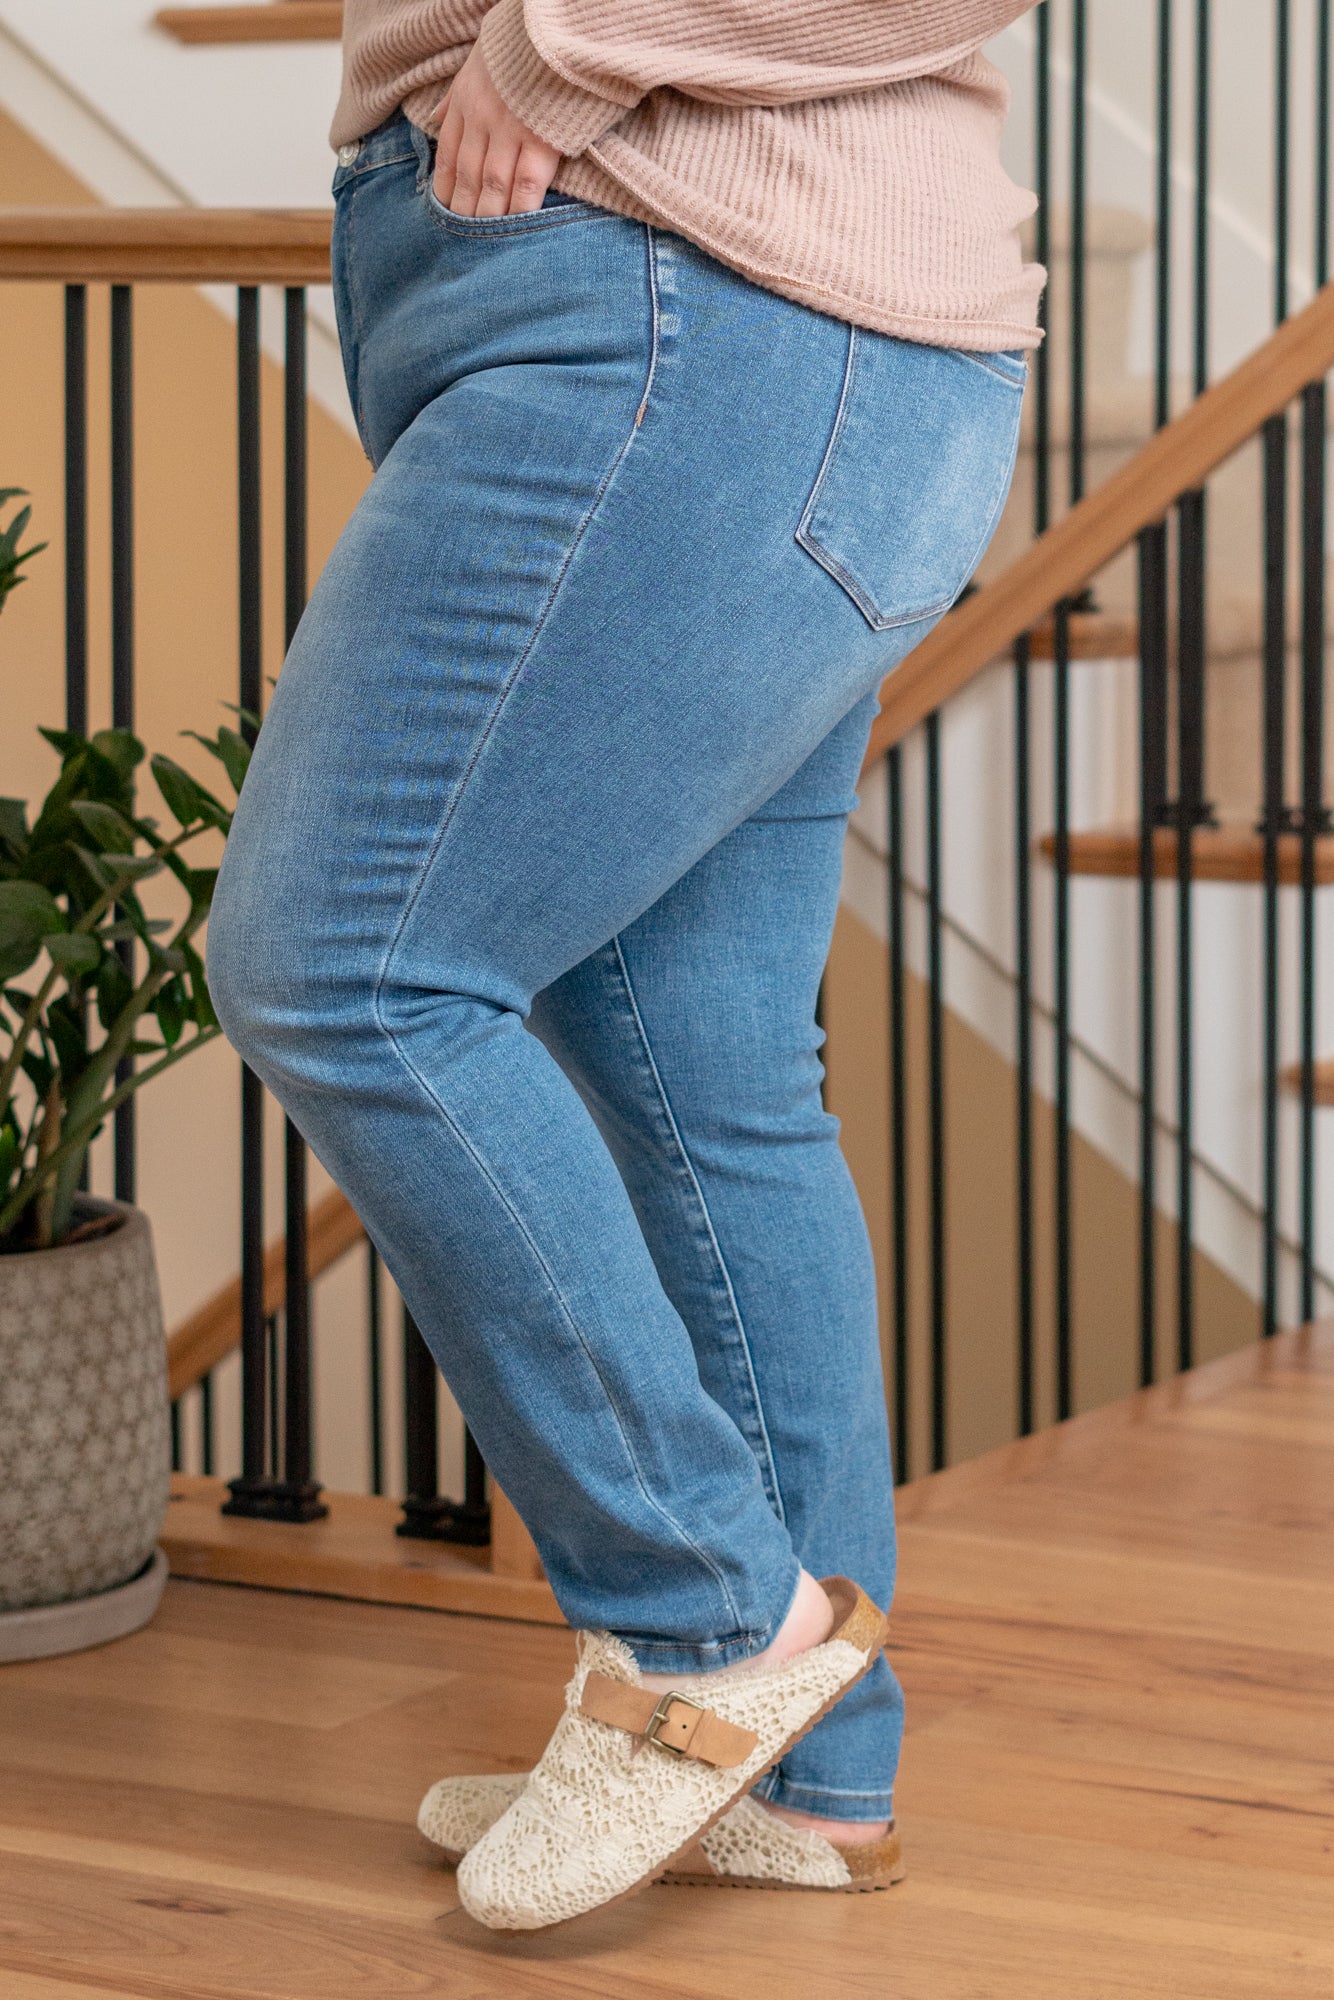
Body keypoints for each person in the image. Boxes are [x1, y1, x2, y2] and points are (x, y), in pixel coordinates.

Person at [207, 0, 1043, 1933]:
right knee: (698, 1058)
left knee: (348, 966)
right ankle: (809, 1782)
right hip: (701, 321)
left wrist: (563, 46)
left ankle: (706, 1625)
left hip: (704, 305)